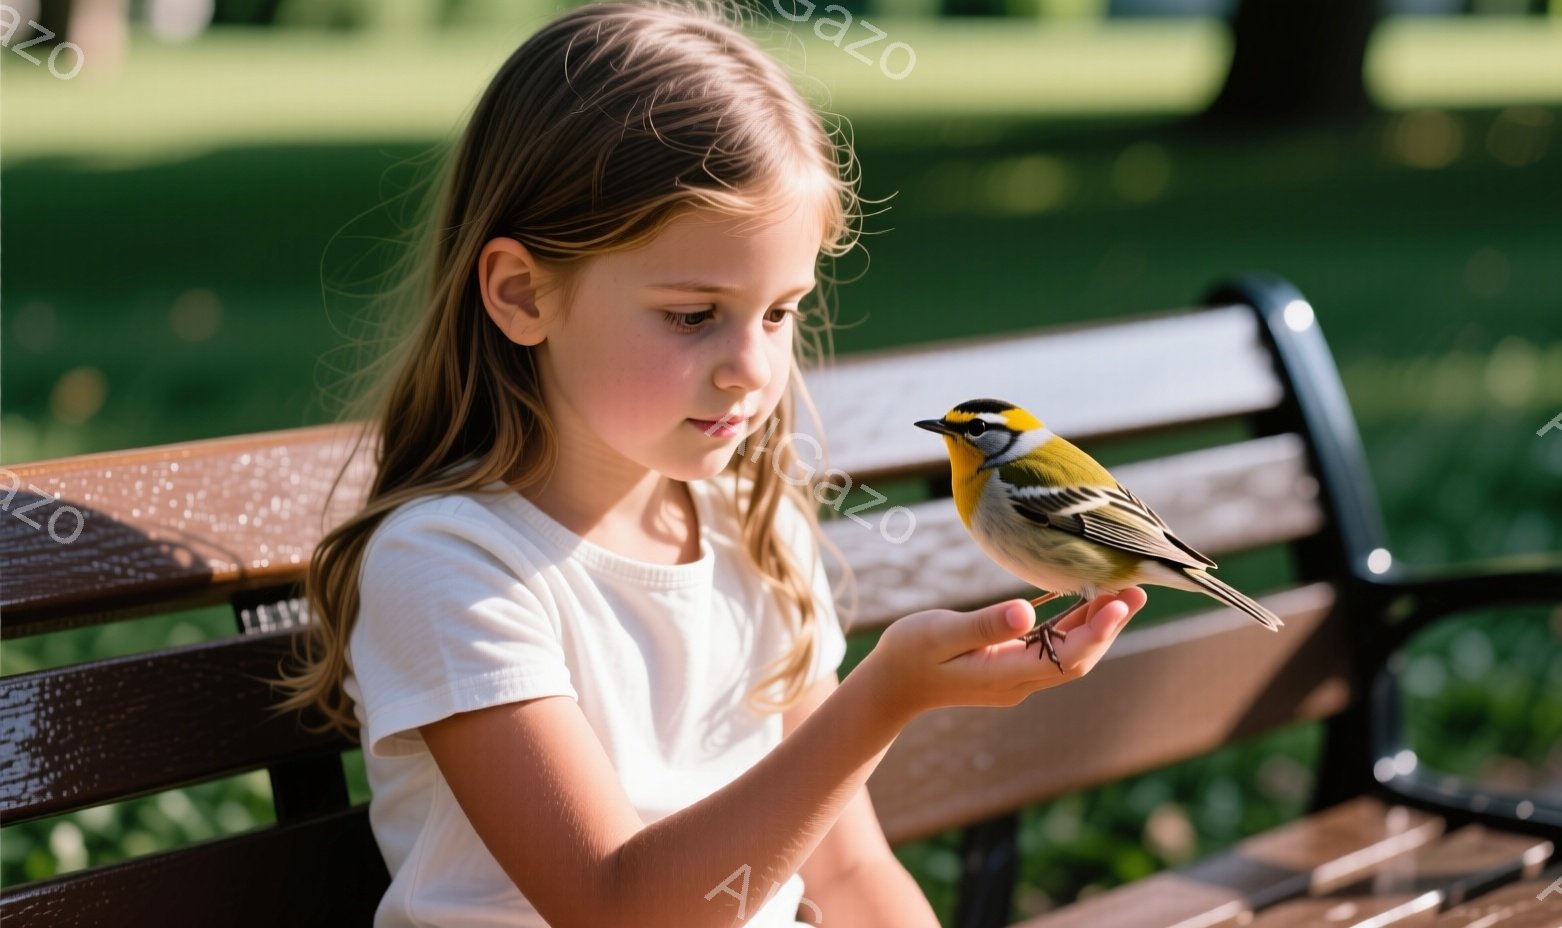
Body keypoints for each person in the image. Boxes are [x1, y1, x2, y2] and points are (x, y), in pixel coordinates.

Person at [267, 2, 1148, 925]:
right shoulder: (452, 568)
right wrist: (884, 698)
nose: (754, 367)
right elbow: (619, 909)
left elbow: (848, 874)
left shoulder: (752, 531)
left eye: (778, 311)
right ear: (523, 294)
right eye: (694, 315)